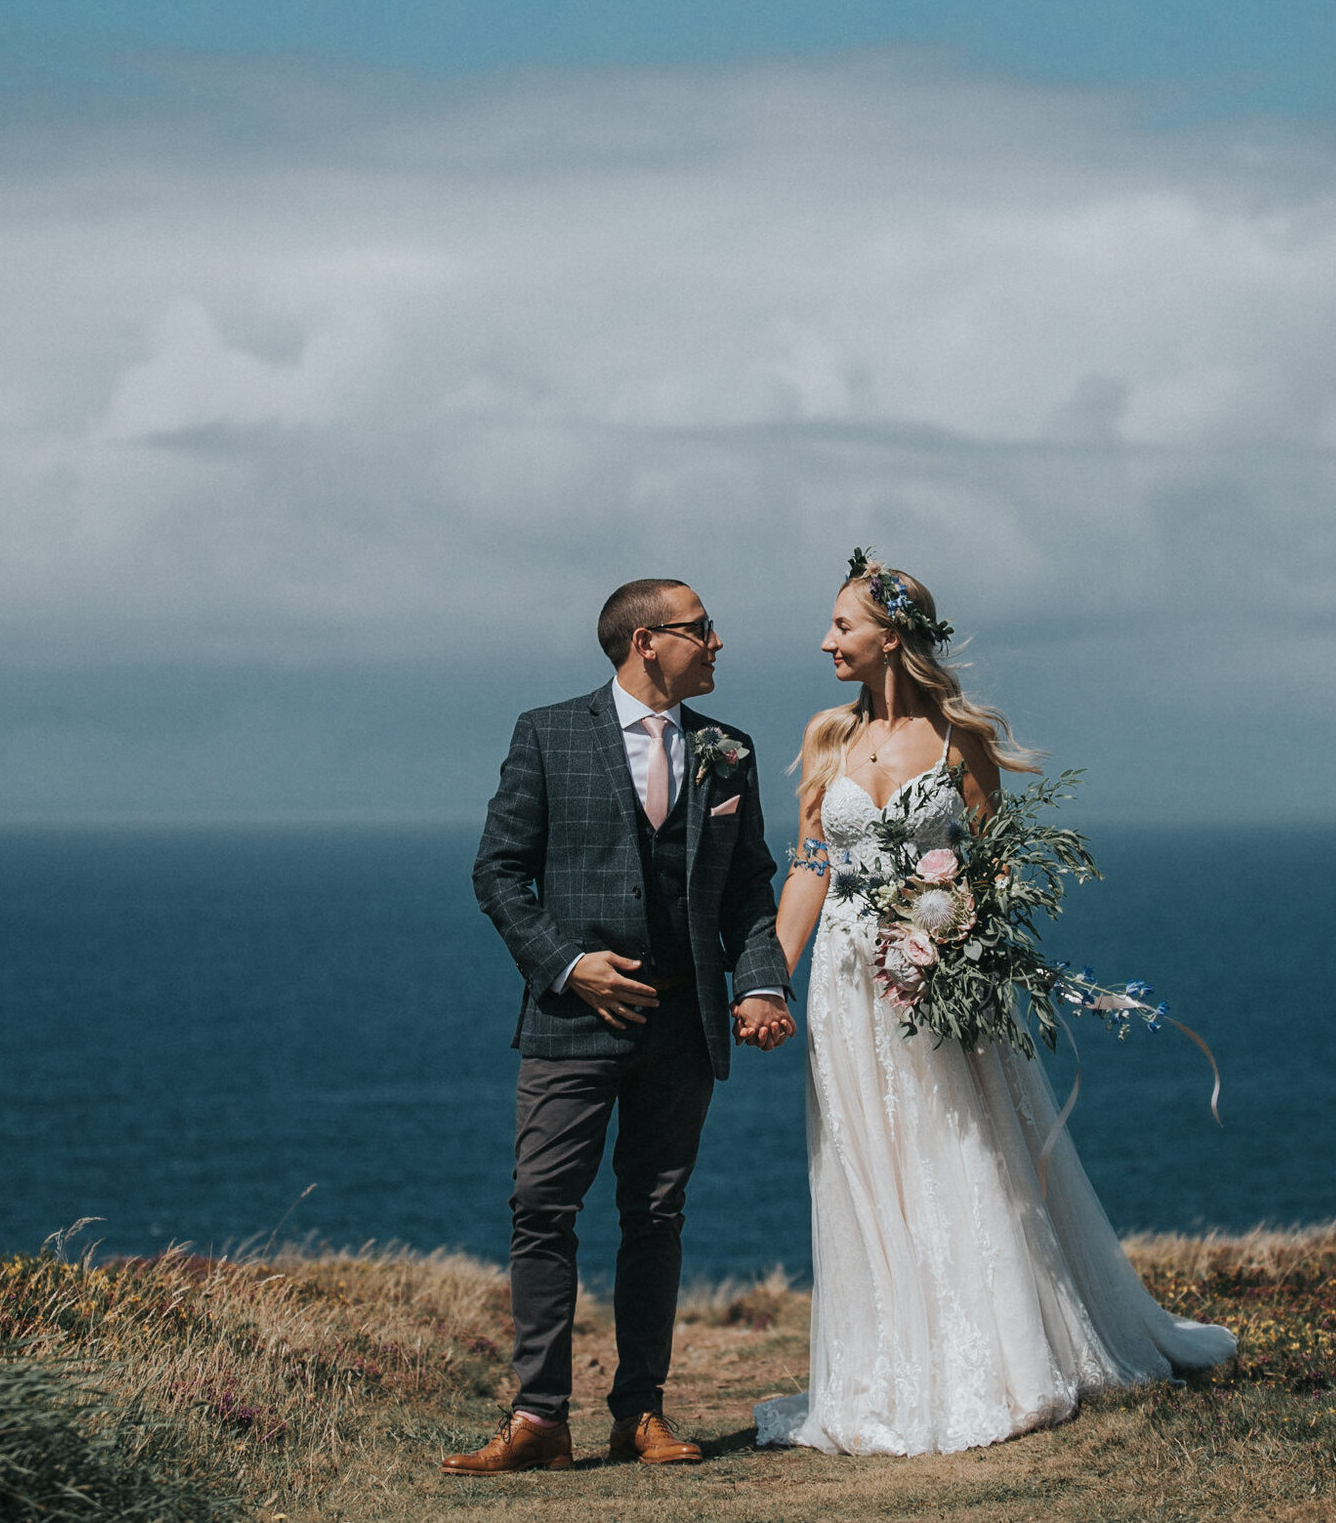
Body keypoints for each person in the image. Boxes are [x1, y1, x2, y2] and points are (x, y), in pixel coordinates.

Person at [754, 554, 1235, 1456]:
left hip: (939, 978)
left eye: (842, 626)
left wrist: (964, 936)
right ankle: (885, 1367)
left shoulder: (957, 740)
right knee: (865, 1162)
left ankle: (996, 1356)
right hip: (848, 984)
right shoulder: (828, 737)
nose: (827, 640)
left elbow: (996, 859)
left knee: (961, 1148)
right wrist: (772, 976)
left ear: (889, 636)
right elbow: (813, 866)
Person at [447, 578, 797, 1476]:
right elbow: (499, 873)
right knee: (540, 1208)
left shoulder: (730, 750)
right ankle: (538, 1417)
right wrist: (571, 965)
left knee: (656, 1212)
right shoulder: (547, 733)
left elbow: (751, 885)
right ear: (647, 641)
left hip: (683, 1021)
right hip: (571, 1018)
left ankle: (640, 1411)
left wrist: (760, 984)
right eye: (701, 629)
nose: (718, 641)